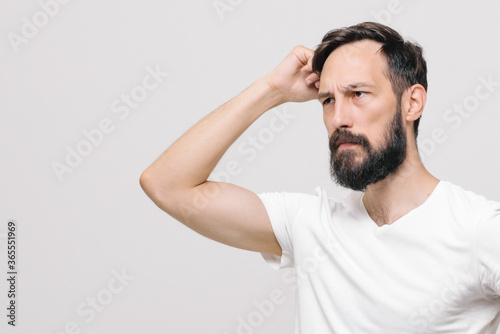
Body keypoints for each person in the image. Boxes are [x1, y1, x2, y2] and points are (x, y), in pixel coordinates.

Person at [140, 22, 500, 333]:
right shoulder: (310, 224)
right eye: (327, 100)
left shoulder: (478, 230)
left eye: (357, 94)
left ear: (412, 103)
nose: (338, 118)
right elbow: (168, 185)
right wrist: (272, 90)